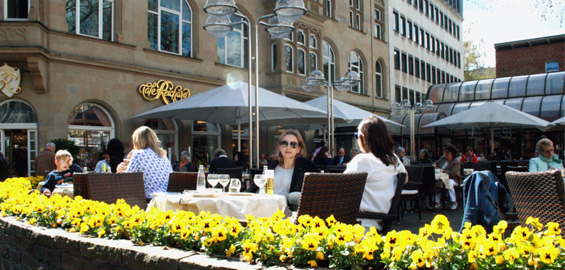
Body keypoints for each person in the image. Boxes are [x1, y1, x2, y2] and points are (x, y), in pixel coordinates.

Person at [344, 116, 407, 231]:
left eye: (357, 136)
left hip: (358, 223)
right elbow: (405, 177)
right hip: (380, 219)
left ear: (364, 138)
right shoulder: (393, 160)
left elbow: (341, 186)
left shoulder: (363, 160)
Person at [246, 130, 318, 211]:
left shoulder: (305, 168)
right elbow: (256, 188)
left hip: (288, 212)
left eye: (293, 144)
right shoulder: (272, 166)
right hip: (263, 207)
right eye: (284, 143)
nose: (288, 147)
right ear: (280, 147)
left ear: (299, 149)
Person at [117, 126, 172, 199]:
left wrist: (119, 172)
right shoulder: (164, 157)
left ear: (136, 141)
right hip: (166, 198)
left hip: (148, 199)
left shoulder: (138, 154)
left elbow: (128, 181)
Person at [433, 145, 461, 210]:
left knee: (448, 183)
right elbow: (436, 162)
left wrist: (443, 171)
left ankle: (454, 202)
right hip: (441, 177)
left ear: (452, 154)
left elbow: (453, 173)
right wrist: (435, 165)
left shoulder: (456, 162)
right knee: (437, 183)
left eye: (447, 153)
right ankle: (437, 202)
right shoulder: (443, 158)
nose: (446, 154)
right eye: (445, 152)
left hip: (453, 179)